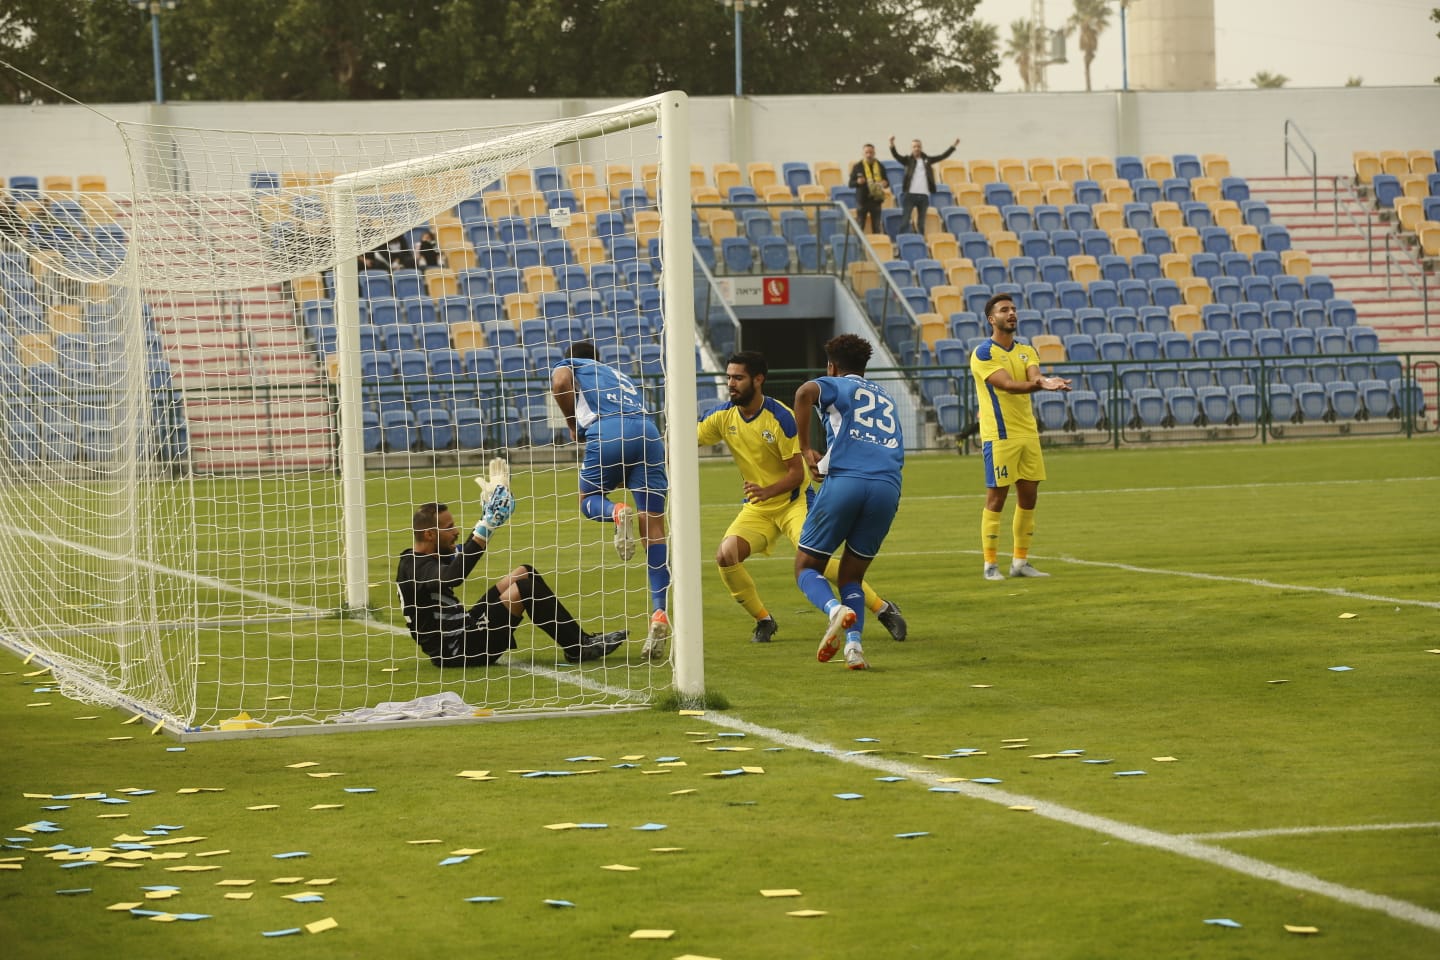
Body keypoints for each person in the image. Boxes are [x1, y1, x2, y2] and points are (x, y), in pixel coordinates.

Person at [698, 350, 908, 645]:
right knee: (725, 556)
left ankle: (883, 609)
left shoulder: (781, 418)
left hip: (793, 503)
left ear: (758, 380)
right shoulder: (722, 417)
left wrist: (766, 491)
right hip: (758, 510)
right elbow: (689, 436)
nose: (731, 383)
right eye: (729, 377)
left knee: (819, 563)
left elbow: (797, 474)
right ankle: (764, 620)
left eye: (738, 377)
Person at [395, 497, 627, 667]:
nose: (455, 531)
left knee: (524, 573)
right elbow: (454, 576)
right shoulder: (414, 566)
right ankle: (578, 649)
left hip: (466, 627)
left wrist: (486, 518)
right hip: (457, 649)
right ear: (429, 535)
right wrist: (486, 527)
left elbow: (463, 552)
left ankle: (579, 639)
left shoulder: (425, 556)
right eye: (449, 528)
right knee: (524, 590)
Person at [551, 340, 670, 660]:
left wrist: (571, 422)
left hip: (609, 429)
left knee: (589, 499)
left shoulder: (573, 366)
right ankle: (660, 612)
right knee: (654, 527)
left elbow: (560, 381)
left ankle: (616, 512)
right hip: (648, 432)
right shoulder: (618, 375)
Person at [792, 335, 904, 671]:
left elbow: (803, 394)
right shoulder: (885, 397)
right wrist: (825, 463)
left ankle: (832, 609)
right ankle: (854, 648)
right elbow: (862, 438)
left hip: (849, 481)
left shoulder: (837, 384)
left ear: (832, 366)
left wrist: (805, 448)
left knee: (806, 566)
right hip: (887, 486)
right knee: (851, 575)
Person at [969, 292, 1072, 581]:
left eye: (1014, 309)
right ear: (992, 319)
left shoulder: (1026, 350)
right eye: (1005, 310)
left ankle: (1020, 562)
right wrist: (1040, 386)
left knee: (1029, 496)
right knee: (997, 497)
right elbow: (1009, 386)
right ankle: (990, 564)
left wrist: (1046, 381)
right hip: (1000, 435)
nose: (1012, 313)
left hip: (1028, 432)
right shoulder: (984, 353)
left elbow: (1034, 374)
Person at [888, 134, 959, 235]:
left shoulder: (927, 160)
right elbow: (896, 155)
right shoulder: (907, 160)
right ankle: (901, 240)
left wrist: (953, 146)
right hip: (910, 195)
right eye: (914, 146)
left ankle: (920, 240)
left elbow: (942, 156)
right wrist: (891, 144)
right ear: (911, 148)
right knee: (905, 221)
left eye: (918, 146)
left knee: (921, 223)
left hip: (923, 196)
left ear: (921, 148)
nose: (916, 148)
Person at [848, 143, 889, 235]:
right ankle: (858, 248)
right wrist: (858, 182)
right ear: (863, 153)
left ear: (874, 153)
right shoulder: (858, 166)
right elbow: (850, 184)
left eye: (871, 152)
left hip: (876, 201)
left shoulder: (880, 166)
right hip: (862, 201)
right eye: (866, 152)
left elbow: (887, 182)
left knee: (876, 228)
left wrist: (884, 183)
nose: (869, 155)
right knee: (860, 227)